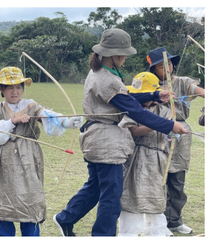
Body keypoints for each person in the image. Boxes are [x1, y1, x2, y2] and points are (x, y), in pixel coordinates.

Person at [52, 28, 188, 237]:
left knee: (96, 187)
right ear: (114, 55)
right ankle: (103, 236)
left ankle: (65, 218)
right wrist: (170, 125)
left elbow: (126, 99)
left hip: (97, 140)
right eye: (124, 54)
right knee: (112, 197)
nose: (125, 58)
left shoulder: (101, 72)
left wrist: (154, 95)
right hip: (105, 143)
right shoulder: (105, 80)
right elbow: (133, 110)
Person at [0, 66, 83, 236]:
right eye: (10, 87)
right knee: (4, 204)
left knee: (30, 201)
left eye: (18, 87)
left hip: (28, 158)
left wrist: (67, 122)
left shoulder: (31, 105)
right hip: (5, 161)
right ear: (1, 88)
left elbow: (48, 116)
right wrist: (13, 121)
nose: (15, 92)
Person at [147, 47, 205, 234]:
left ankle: (175, 221)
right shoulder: (148, 84)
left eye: (170, 63)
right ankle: (159, 223)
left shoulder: (182, 82)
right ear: (153, 69)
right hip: (156, 133)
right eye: (162, 65)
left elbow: (199, 90)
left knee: (177, 180)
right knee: (158, 179)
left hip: (180, 135)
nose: (167, 67)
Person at [118, 72, 173, 237]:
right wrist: (158, 123)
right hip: (135, 159)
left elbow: (168, 134)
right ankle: (129, 233)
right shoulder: (132, 109)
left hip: (156, 161)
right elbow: (134, 131)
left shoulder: (163, 110)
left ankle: (155, 232)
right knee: (131, 198)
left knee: (154, 198)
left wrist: (169, 130)